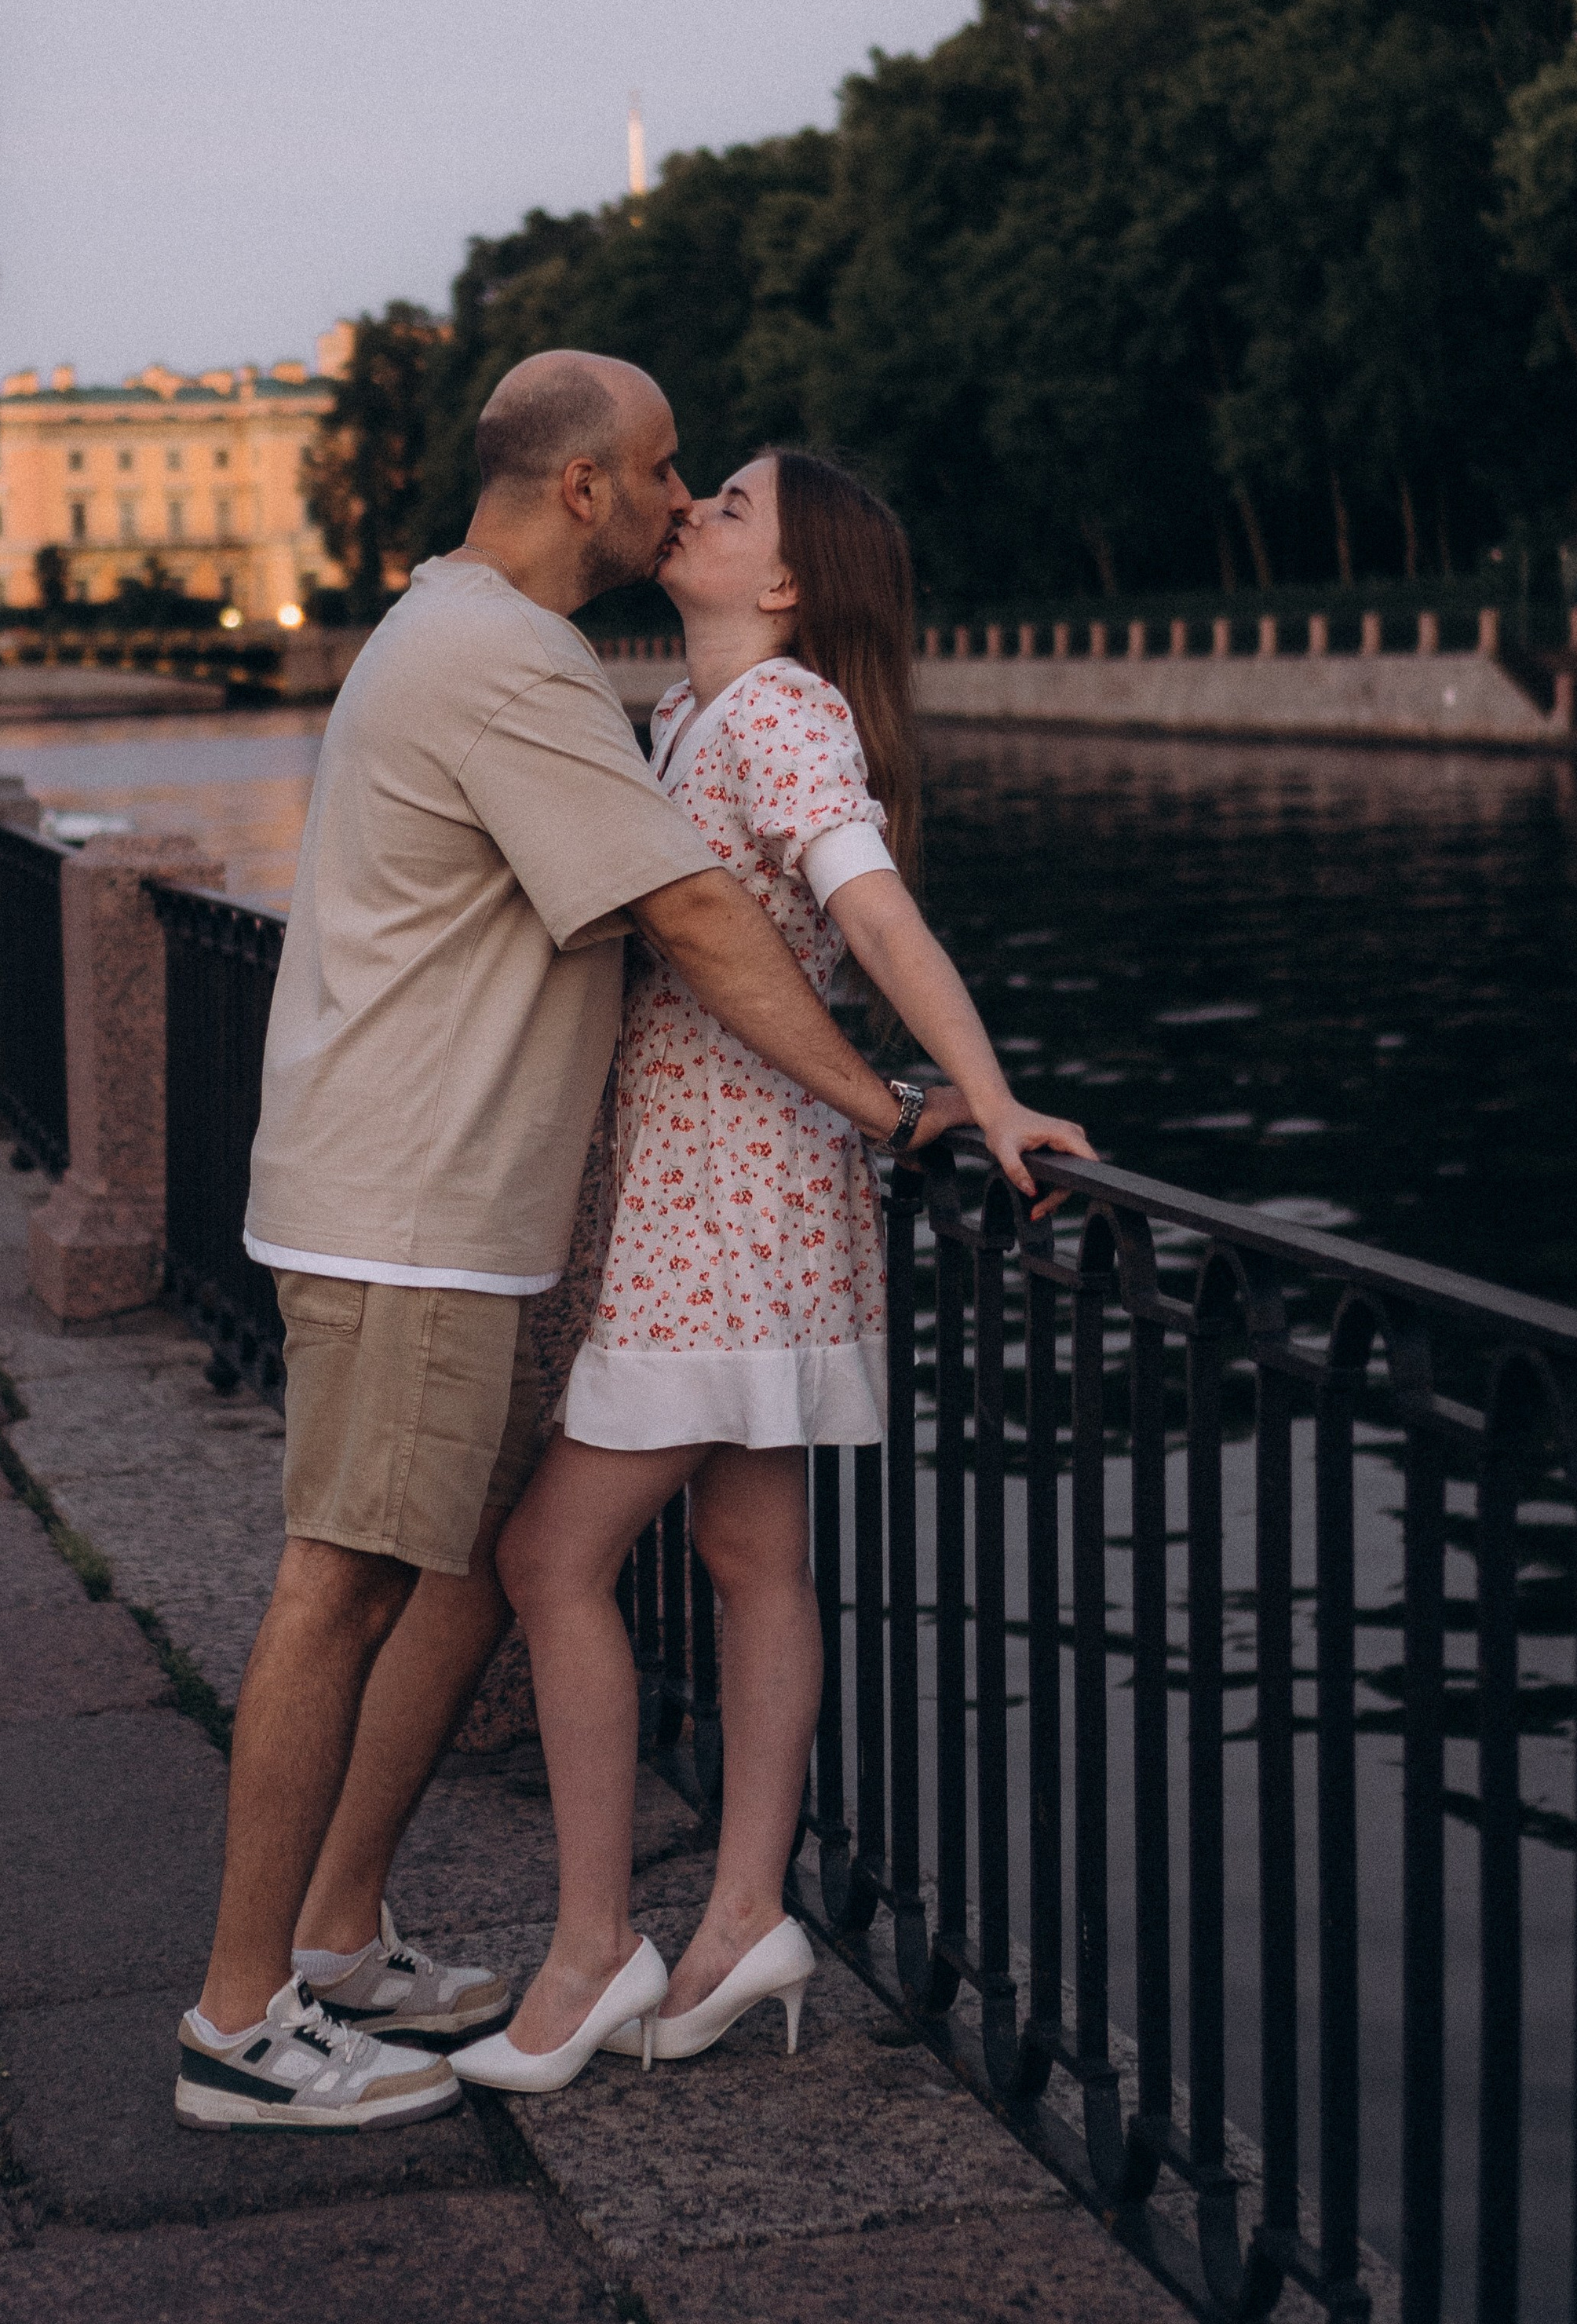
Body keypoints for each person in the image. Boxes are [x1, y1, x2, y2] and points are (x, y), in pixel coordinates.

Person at [177, 366, 956, 2132]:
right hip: (414, 1209)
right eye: (668, 472)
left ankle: (340, 1936)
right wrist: (887, 1103)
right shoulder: (513, 664)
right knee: (343, 1582)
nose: (683, 499)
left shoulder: (468, 631)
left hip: (460, 1203)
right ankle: (237, 2023)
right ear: (587, 489)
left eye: (712, 488)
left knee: (465, 1566)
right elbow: (688, 908)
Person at [451, 451, 1093, 2096]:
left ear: (790, 586)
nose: (693, 510)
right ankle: (742, 1918)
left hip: (726, 1214)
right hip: (727, 1197)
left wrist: (988, 1094)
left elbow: (871, 913)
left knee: (547, 1556)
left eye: (731, 506)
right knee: (750, 1557)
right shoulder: (687, 712)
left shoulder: (783, 714)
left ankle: (593, 1947)